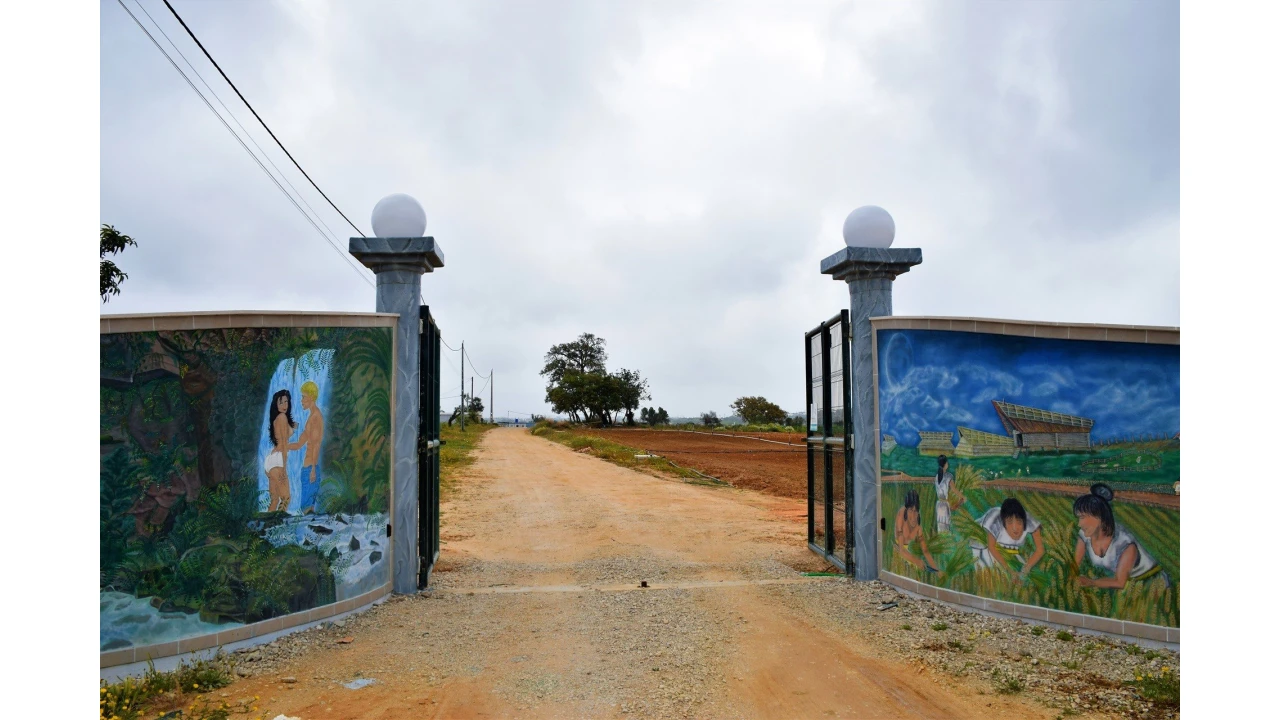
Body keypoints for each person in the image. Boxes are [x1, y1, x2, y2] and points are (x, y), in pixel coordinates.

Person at [1073, 484, 1167, 588]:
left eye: (1082, 518)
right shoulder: (1084, 535)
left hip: (1150, 583)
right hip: (1127, 587)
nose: (1079, 524)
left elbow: (1120, 583)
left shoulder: (1124, 543)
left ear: (1099, 516)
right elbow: (1074, 566)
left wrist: (1091, 582)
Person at [970, 498, 1045, 580]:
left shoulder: (1029, 520)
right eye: (1009, 522)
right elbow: (991, 547)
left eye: (1019, 522)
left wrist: (1025, 570)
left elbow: (1040, 549)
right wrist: (1010, 571)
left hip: (1003, 544)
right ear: (1003, 522)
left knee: (1019, 577)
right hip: (982, 543)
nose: (1015, 528)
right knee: (989, 575)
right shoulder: (994, 520)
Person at [290, 381, 326, 515]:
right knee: (307, 509)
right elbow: (299, 444)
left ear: (311, 397)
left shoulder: (316, 417)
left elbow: (316, 444)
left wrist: (312, 470)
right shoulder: (311, 418)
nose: (301, 400)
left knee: (306, 509)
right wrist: (283, 446)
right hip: (307, 469)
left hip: (310, 469)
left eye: (303, 397)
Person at [264, 389, 297, 512]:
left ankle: (266, 527)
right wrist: (284, 467)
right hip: (278, 461)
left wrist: (293, 426)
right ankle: (278, 526)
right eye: (281, 403)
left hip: (270, 461)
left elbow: (286, 432)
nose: (285, 405)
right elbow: (283, 443)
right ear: (276, 404)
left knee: (275, 500)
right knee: (286, 498)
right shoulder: (282, 417)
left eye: (286, 402)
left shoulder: (276, 419)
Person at [894, 490, 939, 572]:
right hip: (898, 550)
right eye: (911, 510)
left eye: (916, 511)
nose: (913, 515)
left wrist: (937, 570)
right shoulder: (901, 516)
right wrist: (916, 561)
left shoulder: (918, 527)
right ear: (906, 510)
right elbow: (901, 550)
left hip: (908, 553)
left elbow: (925, 550)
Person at [934, 455, 965, 533]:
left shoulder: (937, 476)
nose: (948, 463)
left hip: (939, 504)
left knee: (940, 526)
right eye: (947, 462)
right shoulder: (949, 476)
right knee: (946, 527)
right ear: (945, 464)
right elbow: (954, 490)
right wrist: (962, 497)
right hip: (944, 504)